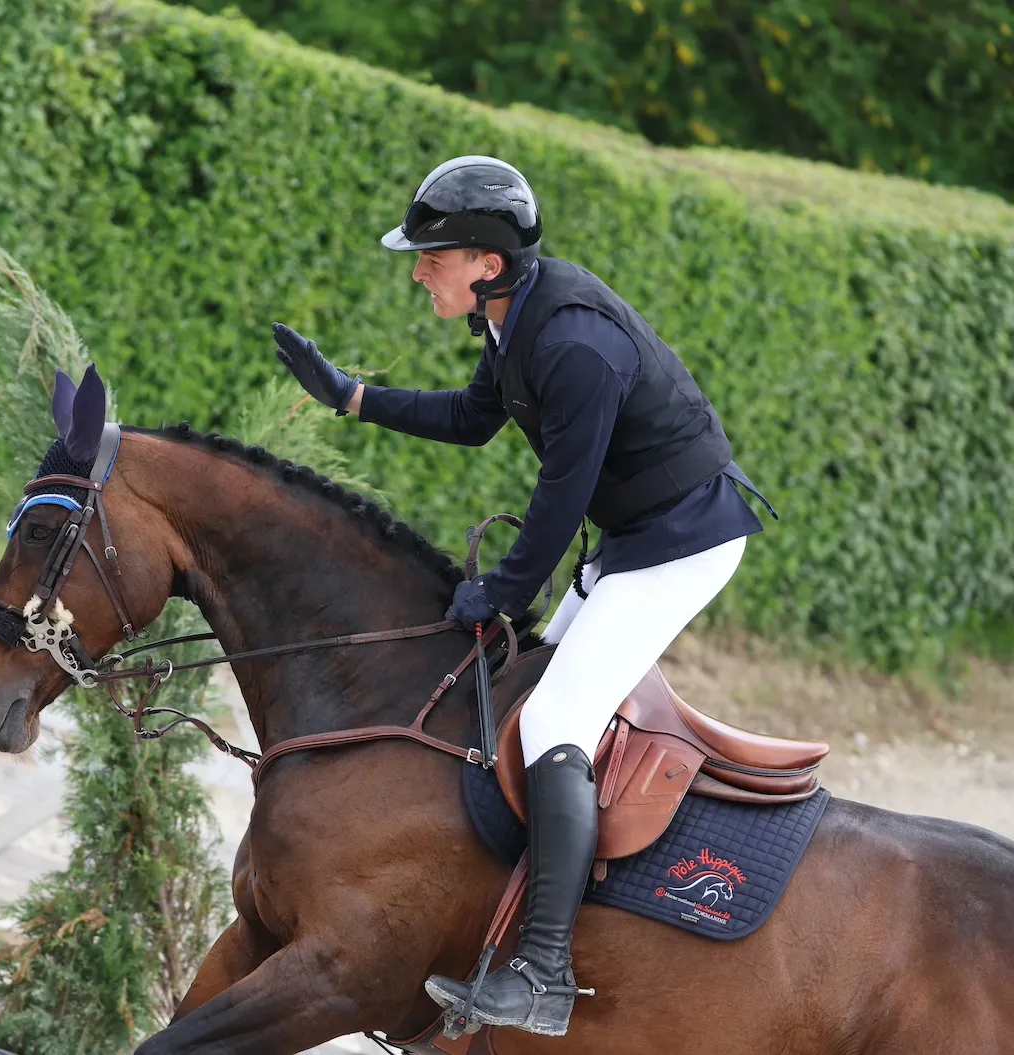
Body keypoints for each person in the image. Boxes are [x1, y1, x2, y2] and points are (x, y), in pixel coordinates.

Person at [272, 155, 775, 1037]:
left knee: (552, 723)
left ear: (487, 264)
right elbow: (472, 421)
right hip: (634, 537)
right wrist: (353, 397)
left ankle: (544, 971)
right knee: (522, 700)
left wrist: (501, 593)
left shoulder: (574, 346)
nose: (419, 268)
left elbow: (560, 501)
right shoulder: (514, 316)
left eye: (433, 256)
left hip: (683, 547)